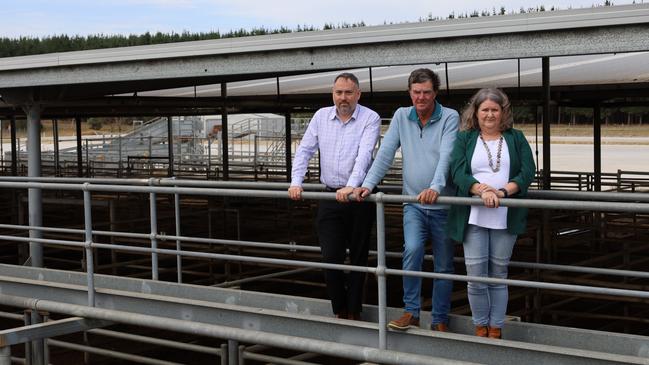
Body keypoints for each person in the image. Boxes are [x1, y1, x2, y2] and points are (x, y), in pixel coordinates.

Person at [354, 68, 459, 332]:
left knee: (444, 263)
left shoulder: (449, 117)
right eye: (416, 92)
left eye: (426, 92)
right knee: (411, 250)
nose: (421, 97)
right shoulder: (402, 116)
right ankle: (411, 311)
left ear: (435, 93)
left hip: (444, 204)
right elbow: (386, 153)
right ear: (409, 92)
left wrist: (436, 186)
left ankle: (439, 319)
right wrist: (367, 185)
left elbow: (447, 155)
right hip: (413, 202)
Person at [289, 72, 381, 320]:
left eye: (348, 92)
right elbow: (305, 150)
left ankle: (354, 310)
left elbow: (364, 156)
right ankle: (339, 307)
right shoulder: (321, 117)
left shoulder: (370, 118)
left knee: (359, 255)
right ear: (333, 94)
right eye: (339, 92)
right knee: (331, 256)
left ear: (358, 94)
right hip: (330, 197)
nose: (343, 97)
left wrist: (351, 187)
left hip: (360, 197)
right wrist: (296, 182)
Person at [447, 88, 535, 339]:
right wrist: (480, 190)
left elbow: (528, 171)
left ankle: (496, 327)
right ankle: (480, 325)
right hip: (474, 214)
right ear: (475, 112)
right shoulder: (465, 138)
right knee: (475, 275)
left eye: (494, 109)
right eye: (484, 109)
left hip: (505, 214)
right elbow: (457, 171)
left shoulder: (516, 138)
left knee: (498, 273)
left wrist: (503, 192)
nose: (489, 114)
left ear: (503, 112)